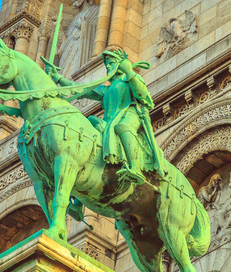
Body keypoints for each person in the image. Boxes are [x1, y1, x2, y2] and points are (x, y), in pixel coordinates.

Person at [45, 46, 166, 185]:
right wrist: (57, 77)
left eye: (111, 63)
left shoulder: (131, 78)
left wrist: (128, 71)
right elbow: (81, 89)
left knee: (123, 127)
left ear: (120, 63)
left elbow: (143, 95)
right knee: (89, 124)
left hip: (131, 114)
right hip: (110, 120)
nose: (108, 66)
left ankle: (135, 168)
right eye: (107, 64)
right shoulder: (106, 89)